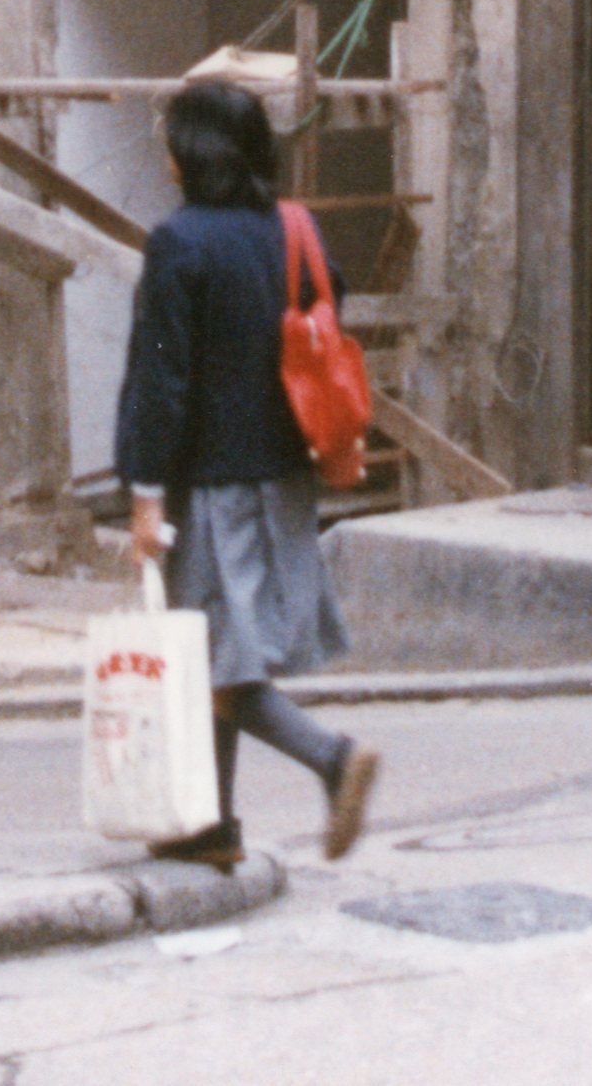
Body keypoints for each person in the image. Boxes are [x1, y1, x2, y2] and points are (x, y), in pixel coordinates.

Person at [113, 75, 377, 867]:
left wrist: (145, 491)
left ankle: (332, 759)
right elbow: (329, 305)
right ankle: (209, 827)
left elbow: (162, 377)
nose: (162, 150)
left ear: (192, 152)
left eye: (169, 137)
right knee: (223, 651)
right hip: (285, 476)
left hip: (213, 484)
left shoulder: (180, 243)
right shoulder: (290, 229)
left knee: (210, 662)